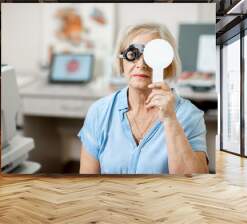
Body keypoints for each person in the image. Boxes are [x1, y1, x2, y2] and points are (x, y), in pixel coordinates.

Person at [78, 23, 209, 174]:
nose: (141, 64)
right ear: (122, 60)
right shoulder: (99, 112)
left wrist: (170, 120)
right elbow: (87, 181)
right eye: (133, 54)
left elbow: (194, 185)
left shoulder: (189, 116)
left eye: (152, 56)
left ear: (167, 64)